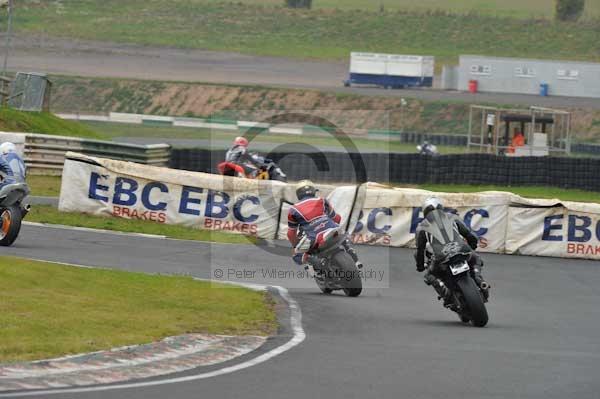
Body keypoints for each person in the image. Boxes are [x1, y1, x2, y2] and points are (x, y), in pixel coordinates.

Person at [414, 196, 490, 304]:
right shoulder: (452, 217)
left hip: (441, 257)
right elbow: (469, 234)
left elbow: (419, 251)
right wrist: (472, 246)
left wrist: (420, 266)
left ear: (425, 211)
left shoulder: (421, 227)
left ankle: (446, 294)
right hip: (462, 250)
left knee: (429, 275)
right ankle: (480, 280)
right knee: (476, 258)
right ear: (440, 207)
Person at [287, 180, 362, 271]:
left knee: (296, 255)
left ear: (298, 194)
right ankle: (355, 260)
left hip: (314, 237)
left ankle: (317, 262)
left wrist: (295, 245)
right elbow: (337, 218)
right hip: (332, 229)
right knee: (343, 236)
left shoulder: (293, 210)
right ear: (313, 191)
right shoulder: (322, 200)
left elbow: (291, 234)